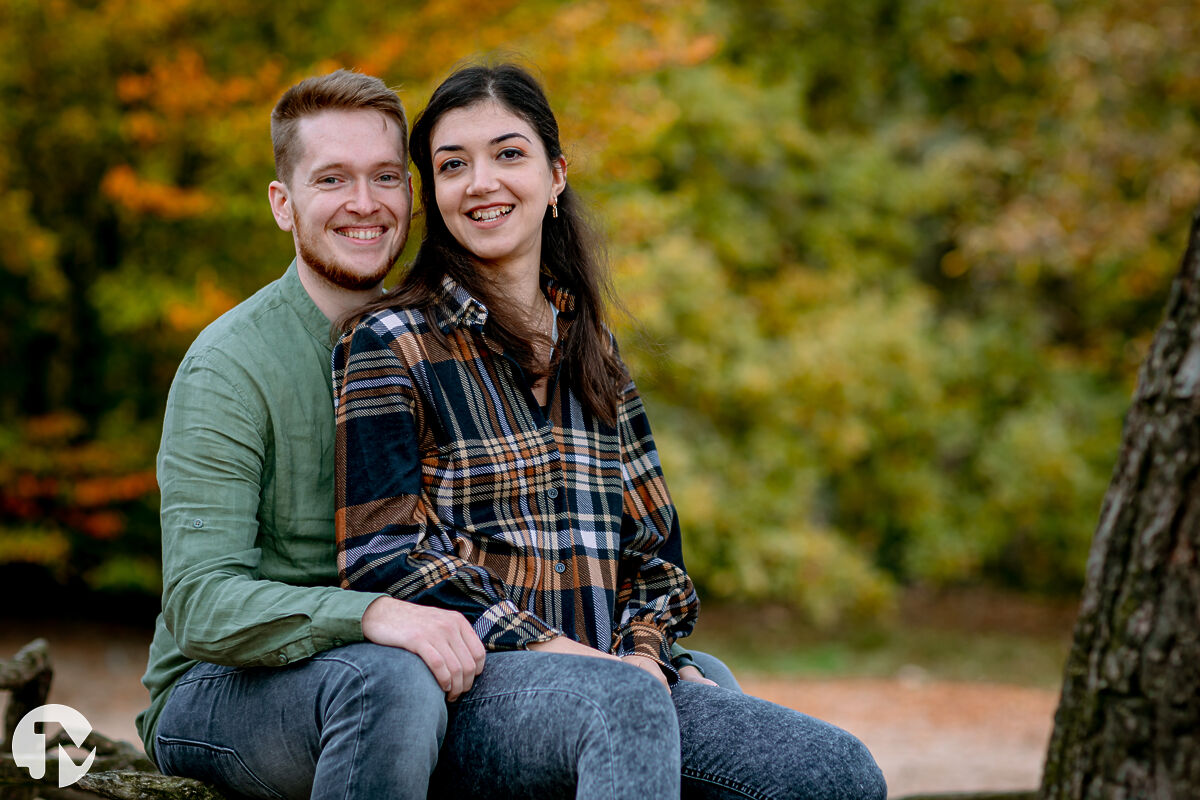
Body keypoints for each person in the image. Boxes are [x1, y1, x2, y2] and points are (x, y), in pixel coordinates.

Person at [138, 67, 727, 800]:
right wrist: (377, 614)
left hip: (424, 660)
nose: (364, 203)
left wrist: (628, 653)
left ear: (413, 198)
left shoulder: (435, 343)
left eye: (386, 177)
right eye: (332, 180)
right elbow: (200, 603)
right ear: (283, 205)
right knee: (390, 682)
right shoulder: (230, 368)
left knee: (699, 687)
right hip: (229, 689)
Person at [334, 63, 888, 800]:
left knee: (837, 773)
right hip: (480, 693)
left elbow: (657, 558)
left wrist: (643, 652)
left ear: (555, 175)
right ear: (434, 194)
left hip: (614, 679)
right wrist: (560, 652)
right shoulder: (388, 340)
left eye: (509, 154)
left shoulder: (592, 349)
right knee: (623, 706)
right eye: (452, 165)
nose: (481, 182)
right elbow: (379, 556)